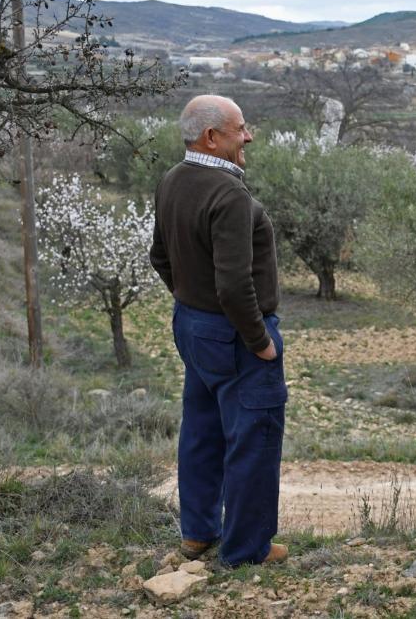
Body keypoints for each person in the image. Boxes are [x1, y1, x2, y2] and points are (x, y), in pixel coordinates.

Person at [150, 95, 288, 567]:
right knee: (253, 438)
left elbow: (159, 257)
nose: (248, 136)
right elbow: (234, 285)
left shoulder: (172, 179)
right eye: (240, 129)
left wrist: (192, 299)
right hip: (235, 335)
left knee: (202, 433)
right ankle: (247, 550)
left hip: (193, 326)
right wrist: (260, 342)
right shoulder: (227, 193)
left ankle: (197, 534)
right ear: (212, 137)